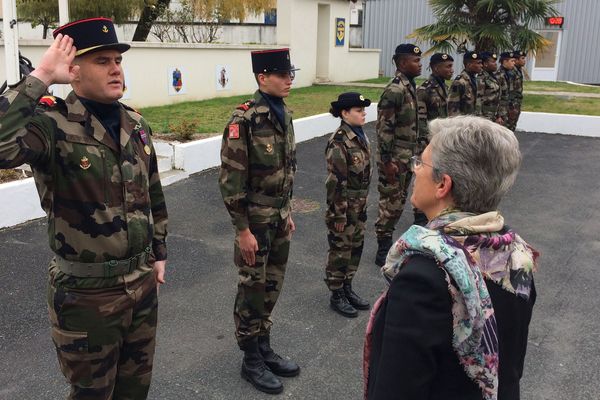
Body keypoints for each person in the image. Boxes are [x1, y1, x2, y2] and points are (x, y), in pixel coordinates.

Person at [0, 18, 168, 399]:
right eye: (102, 61)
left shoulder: (135, 123)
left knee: (134, 390)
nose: (115, 68)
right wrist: (42, 74)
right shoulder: (50, 125)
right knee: (92, 394)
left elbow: (152, 191)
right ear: (72, 70)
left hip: (141, 285)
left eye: (118, 60)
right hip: (87, 295)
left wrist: (159, 251)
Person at [364, 116, 538, 400]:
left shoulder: (424, 278)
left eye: (420, 162)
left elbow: (396, 388)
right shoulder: (515, 255)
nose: (415, 169)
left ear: (443, 185)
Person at [218, 48, 300, 395]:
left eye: (290, 74)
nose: (289, 79)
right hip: (255, 221)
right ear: (262, 77)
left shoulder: (284, 114)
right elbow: (231, 181)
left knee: (272, 285)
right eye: (282, 75)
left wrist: (288, 210)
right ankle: (250, 357)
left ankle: (264, 345)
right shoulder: (245, 121)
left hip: (279, 217)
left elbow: (288, 169)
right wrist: (242, 230)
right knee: (252, 288)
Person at [374, 43, 427, 267]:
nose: (420, 64)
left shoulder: (409, 87)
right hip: (395, 158)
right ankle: (383, 248)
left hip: (407, 156)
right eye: (415, 61)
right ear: (403, 63)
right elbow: (384, 128)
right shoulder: (395, 89)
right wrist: (387, 161)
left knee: (402, 199)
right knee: (391, 203)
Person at [324, 92, 372, 318]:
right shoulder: (339, 141)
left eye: (364, 110)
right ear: (344, 113)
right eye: (358, 110)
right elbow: (335, 183)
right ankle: (336, 294)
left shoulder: (360, 136)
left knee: (355, 248)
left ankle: (347, 286)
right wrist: (339, 215)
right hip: (344, 208)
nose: (363, 113)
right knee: (340, 250)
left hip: (359, 205)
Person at [417, 52, 454, 136]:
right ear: (436, 68)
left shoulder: (445, 87)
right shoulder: (424, 90)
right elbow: (421, 121)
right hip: (432, 138)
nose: (452, 70)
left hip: (444, 137)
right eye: (448, 66)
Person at [448, 51, 484, 116]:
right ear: (468, 64)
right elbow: (453, 107)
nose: (481, 65)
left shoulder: (476, 80)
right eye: (478, 63)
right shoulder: (460, 82)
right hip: (464, 123)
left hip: (475, 121)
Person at [478, 52, 508, 125]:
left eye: (495, 62)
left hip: (494, 116)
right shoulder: (481, 78)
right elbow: (478, 100)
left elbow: (499, 97)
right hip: (485, 117)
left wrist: (499, 115)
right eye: (493, 62)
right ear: (485, 64)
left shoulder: (494, 77)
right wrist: (480, 119)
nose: (495, 64)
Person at [506, 50, 526, 131]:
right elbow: (510, 90)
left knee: (513, 125)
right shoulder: (512, 72)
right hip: (512, 104)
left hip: (517, 102)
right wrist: (511, 106)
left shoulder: (518, 70)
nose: (524, 61)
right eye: (522, 58)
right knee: (508, 126)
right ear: (517, 60)